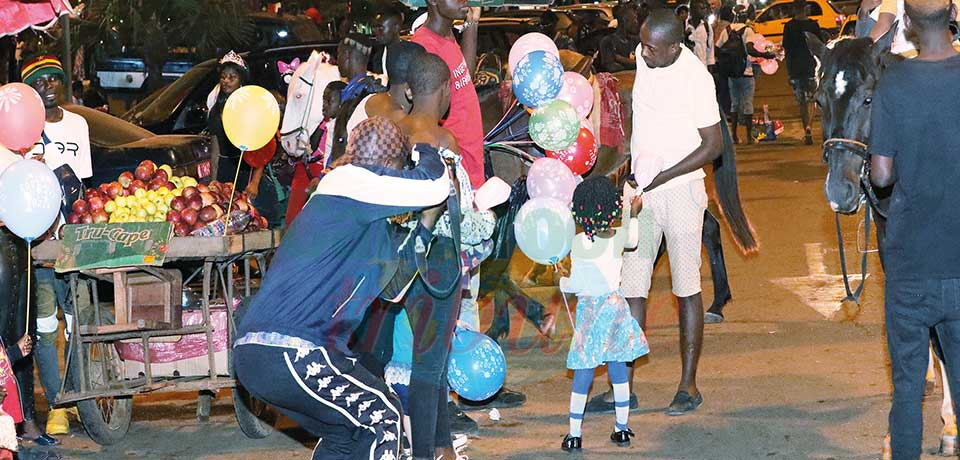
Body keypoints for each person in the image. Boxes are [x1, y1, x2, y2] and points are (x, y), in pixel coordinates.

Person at [235, 117, 451, 460]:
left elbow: (392, 290)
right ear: (389, 167)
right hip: (296, 349)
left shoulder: (358, 218)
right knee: (385, 416)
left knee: (347, 434)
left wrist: (426, 222)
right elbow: (435, 184)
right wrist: (427, 148)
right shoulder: (350, 181)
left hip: (262, 356)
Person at [393, 53, 496, 459]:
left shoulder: (394, 133)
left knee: (424, 353)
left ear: (407, 90)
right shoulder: (443, 141)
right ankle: (426, 451)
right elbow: (463, 214)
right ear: (444, 92)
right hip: (439, 260)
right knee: (431, 363)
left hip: (400, 258)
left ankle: (439, 446)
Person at [869, 0, 960, 457]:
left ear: (905, 25)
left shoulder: (895, 84)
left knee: (907, 388)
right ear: (952, 20)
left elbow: (882, 175)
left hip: (911, 267)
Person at [621, 9, 722, 416]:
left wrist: (663, 176)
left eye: (651, 48)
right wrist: (630, 169)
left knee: (686, 288)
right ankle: (622, 386)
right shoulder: (646, 59)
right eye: (642, 43)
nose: (642, 53)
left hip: (680, 192)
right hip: (641, 194)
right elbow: (640, 116)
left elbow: (712, 145)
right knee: (631, 287)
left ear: (675, 47)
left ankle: (688, 385)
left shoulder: (697, 78)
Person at [22, 54, 94, 444]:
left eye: (54, 78)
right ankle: (57, 406)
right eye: (40, 80)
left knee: (78, 321)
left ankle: (81, 396)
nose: (49, 85)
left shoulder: (78, 124)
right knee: (46, 328)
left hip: (74, 241)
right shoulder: (20, 128)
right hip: (39, 242)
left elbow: (81, 186)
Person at [560, 177, 648, 452]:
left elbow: (575, 285)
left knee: (584, 371)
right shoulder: (619, 237)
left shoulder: (577, 242)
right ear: (613, 207)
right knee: (618, 366)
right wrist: (632, 214)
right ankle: (621, 429)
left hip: (590, 312)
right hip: (615, 308)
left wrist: (562, 282)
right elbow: (633, 240)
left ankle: (574, 434)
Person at [411, 0, 485, 190]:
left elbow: (465, 76)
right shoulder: (425, 46)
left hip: (471, 152)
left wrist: (471, 24)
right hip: (455, 159)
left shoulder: (445, 34)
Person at [284, 80, 344, 227]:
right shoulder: (325, 123)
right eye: (323, 100)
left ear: (342, 104)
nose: (324, 105)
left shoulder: (343, 129)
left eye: (329, 101)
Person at [715, 7, 777, 144]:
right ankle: (749, 137)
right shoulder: (748, 30)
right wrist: (765, 55)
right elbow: (750, 49)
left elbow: (717, 49)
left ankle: (735, 136)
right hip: (746, 72)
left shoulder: (727, 30)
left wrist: (726, 63)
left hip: (732, 74)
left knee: (734, 105)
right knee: (748, 103)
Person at [206, 51, 252, 185]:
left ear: (241, 81)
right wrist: (213, 181)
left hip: (246, 169)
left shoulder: (250, 108)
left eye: (232, 77)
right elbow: (215, 151)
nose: (226, 81)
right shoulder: (215, 111)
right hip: (224, 170)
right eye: (223, 77)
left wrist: (254, 182)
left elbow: (260, 150)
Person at [782, 0, 824, 145]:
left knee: (802, 103)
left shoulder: (789, 26)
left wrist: (789, 72)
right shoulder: (813, 25)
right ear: (805, 8)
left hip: (796, 69)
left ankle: (806, 128)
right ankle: (809, 126)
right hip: (812, 67)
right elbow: (820, 46)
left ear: (794, 9)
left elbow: (787, 50)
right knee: (812, 100)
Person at [599, 5, 640, 73]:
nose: (636, 22)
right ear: (625, 21)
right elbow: (612, 68)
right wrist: (634, 64)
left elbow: (644, 63)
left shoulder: (636, 41)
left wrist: (622, 60)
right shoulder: (608, 41)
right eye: (634, 19)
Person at [370, 9, 404, 76]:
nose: (376, 32)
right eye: (374, 28)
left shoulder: (410, 55)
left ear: (397, 27)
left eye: (380, 28)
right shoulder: (378, 55)